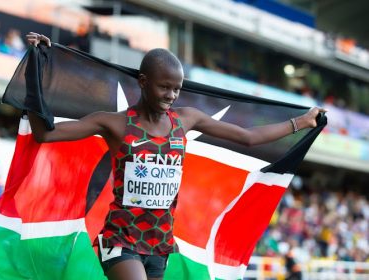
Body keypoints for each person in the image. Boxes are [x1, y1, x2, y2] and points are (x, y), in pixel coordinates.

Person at [25, 32, 325, 280]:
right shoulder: (114, 123)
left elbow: (248, 137)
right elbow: (45, 134)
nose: (171, 95)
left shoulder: (186, 120)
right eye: (164, 87)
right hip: (120, 239)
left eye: (177, 89)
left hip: (160, 244)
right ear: (143, 82)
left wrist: (301, 122)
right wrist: (35, 66)